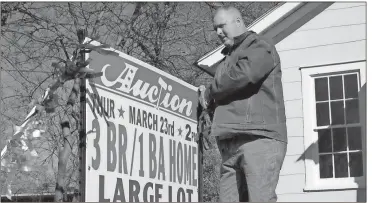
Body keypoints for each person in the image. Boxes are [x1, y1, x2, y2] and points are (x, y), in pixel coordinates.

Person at [198, 6, 287, 202]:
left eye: (221, 26)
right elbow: (227, 90)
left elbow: (244, 75)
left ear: (238, 21)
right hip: (230, 144)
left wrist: (211, 91)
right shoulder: (227, 59)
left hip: (259, 139)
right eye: (215, 28)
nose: (218, 33)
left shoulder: (259, 45)